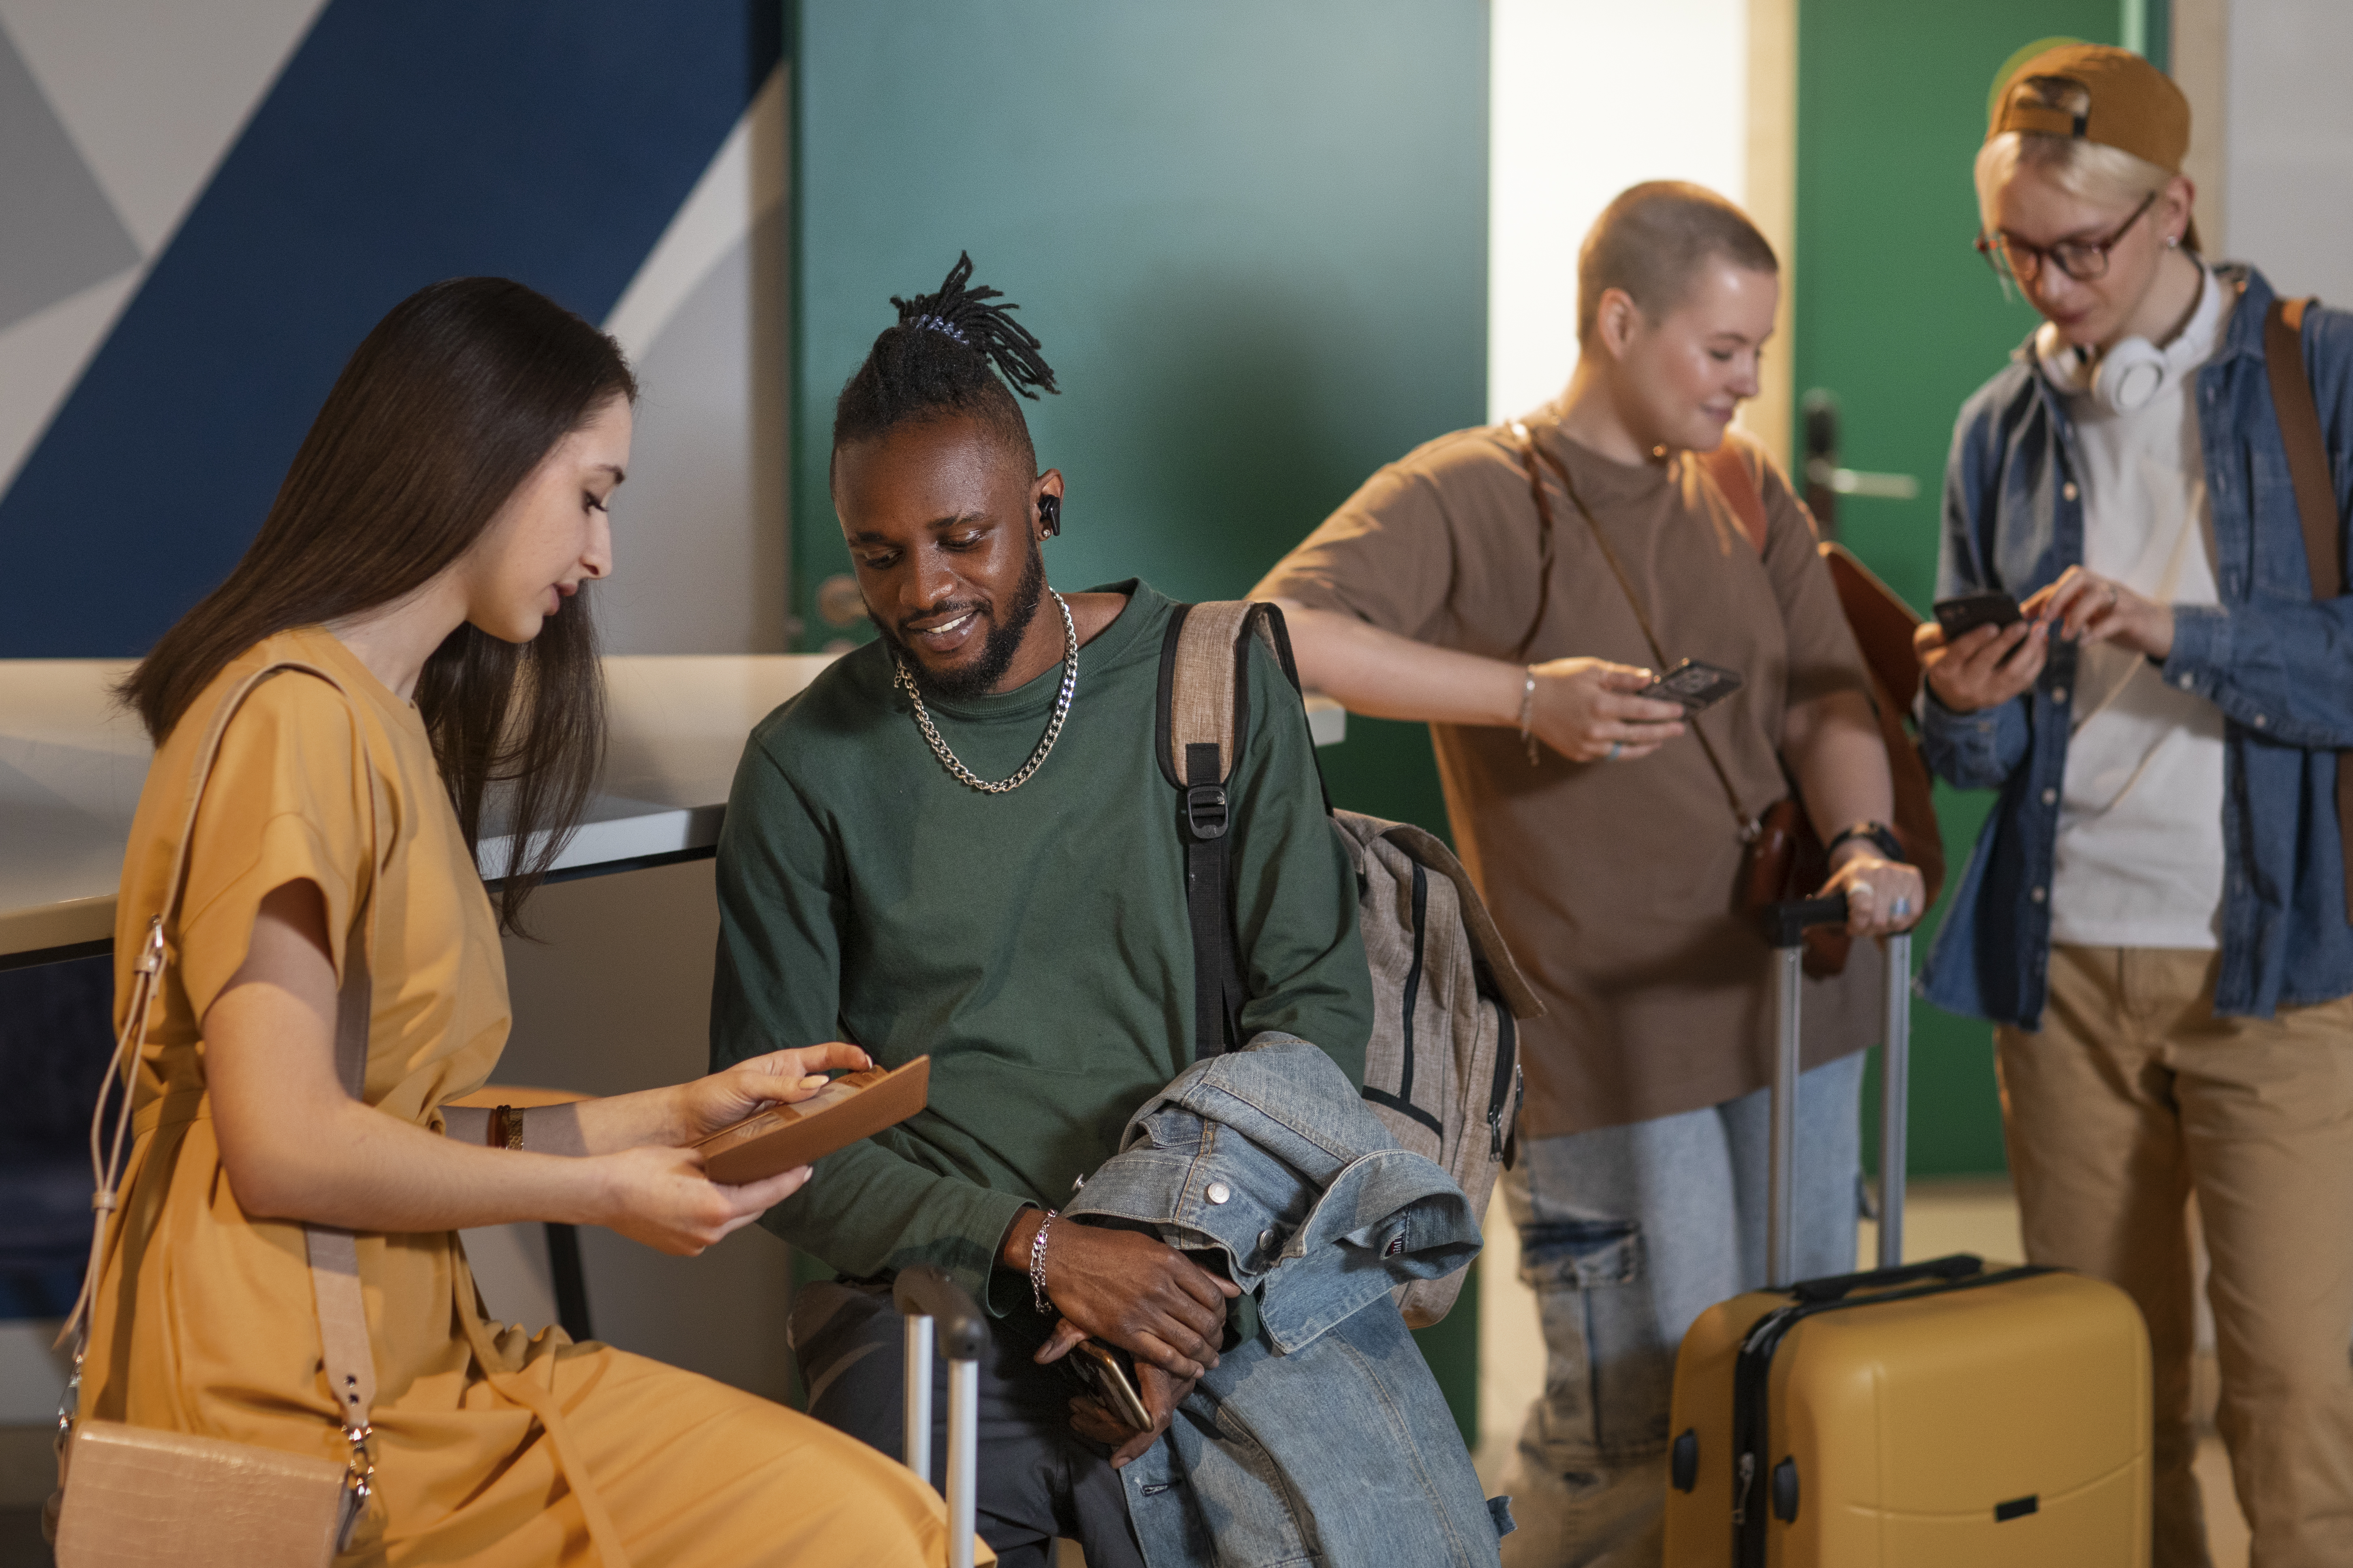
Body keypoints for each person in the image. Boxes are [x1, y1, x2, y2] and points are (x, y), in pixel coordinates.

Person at [83, 277, 979, 1566]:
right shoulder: (293, 718)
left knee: (881, 1525)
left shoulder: (370, 721)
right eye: (594, 494)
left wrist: (673, 1119)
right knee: (865, 1534)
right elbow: (281, 1144)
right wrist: (607, 1193)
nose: (601, 554)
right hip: (301, 1411)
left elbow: (379, 1120)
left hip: (428, 1373)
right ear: (480, 456)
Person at [1252, 182, 1925, 1566]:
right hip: (1610, 1044)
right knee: (1638, 1439)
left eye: (1759, 350)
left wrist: (1863, 841)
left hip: (1795, 1008)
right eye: (1721, 348)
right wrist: (1519, 698)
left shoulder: (1744, 490)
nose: (1749, 381)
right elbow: (1276, 630)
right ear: (1618, 320)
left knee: (1799, 1403)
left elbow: (1824, 702)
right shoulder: (1470, 492)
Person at [709, 255, 1378, 1568]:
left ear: (1046, 506)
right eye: (879, 553)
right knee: (890, 1537)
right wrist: (1039, 1248)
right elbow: (776, 1140)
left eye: (966, 538)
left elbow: (1317, 1014)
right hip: (936, 1297)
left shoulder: (1217, 685)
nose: (925, 591)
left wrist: (1173, 1264)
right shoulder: (804, 763)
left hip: (1210, 1274)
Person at [1918, 45, 2353, 1568]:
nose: (2044, 285)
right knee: (2112, 1387)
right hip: (2064, 973)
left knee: (2295, 1389)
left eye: (2076, 247)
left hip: (2278, 975)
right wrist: (1959, 710)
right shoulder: (1999, 428)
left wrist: (2177, 630)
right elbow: (1975, 766)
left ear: (2173, 207)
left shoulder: (2325, 376)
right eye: (2012, 250)